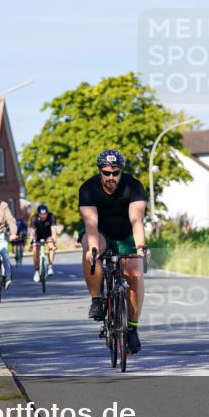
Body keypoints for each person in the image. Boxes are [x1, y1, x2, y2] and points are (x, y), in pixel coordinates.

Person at [78, 149, 148, 355]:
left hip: (126, 233)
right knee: (91, 250)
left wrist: (141, 247)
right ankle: (96, 300)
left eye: (115, 173)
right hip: (100, 231)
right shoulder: (88, 188)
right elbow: (91, 225)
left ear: (121, 171)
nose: (111, 177)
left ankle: (132, 329)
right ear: (100, 171)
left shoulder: (133, 187)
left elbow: (137, 221)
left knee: (135, 273)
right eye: (106, 173)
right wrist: (92, 248)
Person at [30, 203, 57, 281]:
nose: (43, 216)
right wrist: (31, 242)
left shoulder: (52, 217)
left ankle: (50, 266)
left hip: (48, 235)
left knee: (52, 247)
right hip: (38, 236)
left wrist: (54, 242)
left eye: (45, 214)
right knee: (35, 251)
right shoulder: (34, 218)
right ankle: (36, 271)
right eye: (41, 215)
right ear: (38, 214)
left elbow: (54, 231)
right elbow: (32, 232)